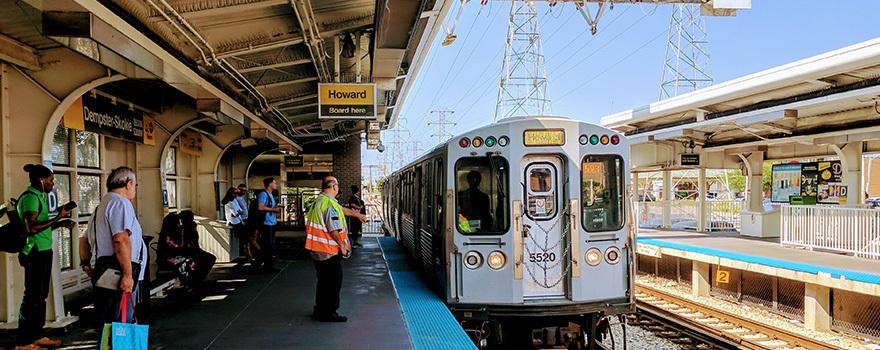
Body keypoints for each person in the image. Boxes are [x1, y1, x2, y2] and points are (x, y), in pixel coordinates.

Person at [79, 167, 148, 330]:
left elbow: (83, 240)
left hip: (104, 271)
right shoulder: (120, 203)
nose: (134, 189)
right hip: (118, 272)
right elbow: (120, 239)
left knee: (108, 321)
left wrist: (85, 262)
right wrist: (127, 274)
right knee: (121, 322)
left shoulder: (100, 207)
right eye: (135, 185)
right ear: (129, 184)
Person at [15, 164, 74, 350]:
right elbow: (31, 228)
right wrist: (58, 216)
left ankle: (37, 335)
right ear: (41, 180)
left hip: (43, 251)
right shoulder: (31, 199)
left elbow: (41, 225)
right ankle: (23, 342)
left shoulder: (39, 197)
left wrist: (60, 222)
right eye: (50, 180)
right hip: (34, 253)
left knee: (40, 296)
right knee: (31, 296)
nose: (52, 184)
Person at [305, 176, 366, 322]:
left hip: (318, 250)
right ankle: (329, 312)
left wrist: (357, 215)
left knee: (323, 282)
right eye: (337, 184)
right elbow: (334, 229)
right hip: (328, 251)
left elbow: (342, 210)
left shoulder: (321, 201)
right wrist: (343, 246)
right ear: (334, 186)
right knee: (333, 283)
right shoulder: (329, 204)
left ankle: (319, 310)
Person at [178, 210, 217, 284]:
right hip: (187, 250)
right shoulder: (183, 228)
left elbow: (195, 240)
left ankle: (199, 277)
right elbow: (183, 243)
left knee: (210, 258)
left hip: (195, 249)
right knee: (199, 260)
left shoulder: (192, 226)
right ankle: (195, 279)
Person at [256, 178, 282, 272]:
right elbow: (260, 207)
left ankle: (268, 265)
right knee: (267, 245)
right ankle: (265, 266)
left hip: (271, 222)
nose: (276, 184)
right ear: (269, 184)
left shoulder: (270, 195)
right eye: (274, 183)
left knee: (270, 245)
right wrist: (274, 210)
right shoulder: (263, 194)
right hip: (266, 223)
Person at [223, 187, 250, 260]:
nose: (235, 195)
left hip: (239, 221)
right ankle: (247, 255)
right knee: (244, 238)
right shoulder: (228, 202)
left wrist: (240, 216)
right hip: (233, 222)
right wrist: (238, 214)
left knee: (245, 238)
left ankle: (247, 254)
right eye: (234, 193)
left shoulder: (234, 200)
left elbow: (239, 210)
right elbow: (235, 213)